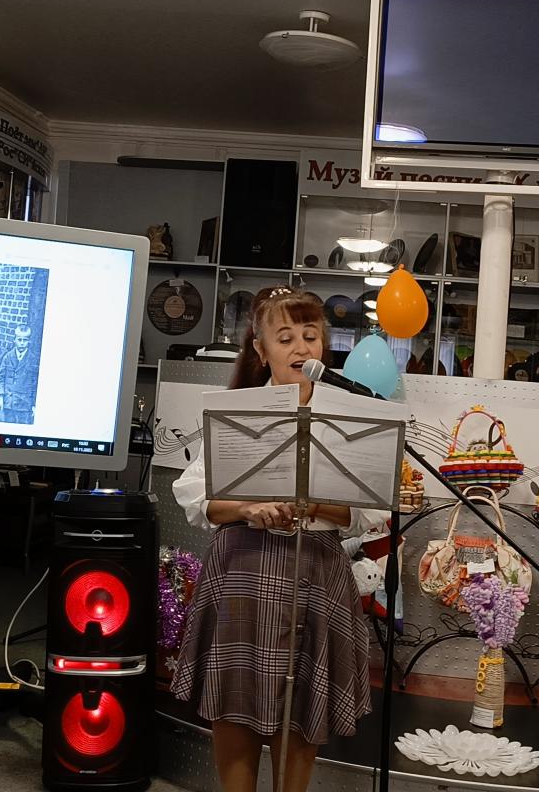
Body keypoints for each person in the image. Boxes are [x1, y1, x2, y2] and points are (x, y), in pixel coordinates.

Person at [171, 286, 385, 792]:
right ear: (261, 350)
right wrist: (247, 507)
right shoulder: (238, 411)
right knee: (234, 701)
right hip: (242, 569)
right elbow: (196, 496)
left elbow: (368, 512)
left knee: (303, 709)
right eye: (285, 338)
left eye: (311, 336)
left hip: (318, 571)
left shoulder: (350, 414)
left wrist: (311, 504)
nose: (300, 348)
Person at [0, 323, 38, 424]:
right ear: (14, 340)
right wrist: (0, 396)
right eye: (19, 339)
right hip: (9, 402)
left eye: (25, 340)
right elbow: (0, 378)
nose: (22, 343)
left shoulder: (33, 359)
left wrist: (34, 404)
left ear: (29, 341)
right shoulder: (7, 357)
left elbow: (35, 384)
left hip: (25, 404)